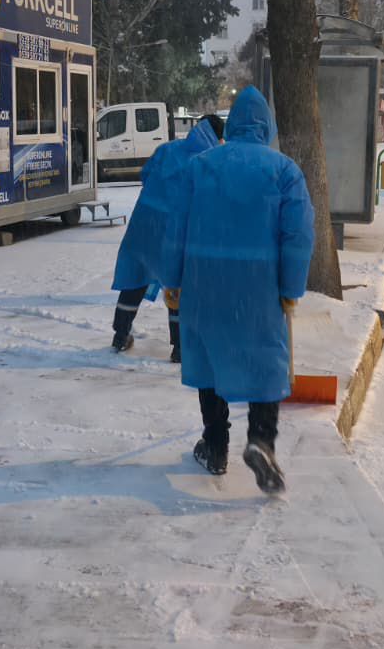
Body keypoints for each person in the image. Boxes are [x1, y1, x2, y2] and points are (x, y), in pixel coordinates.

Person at [161, 87, 312, 494]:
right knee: (265, 363)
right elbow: (297, 235)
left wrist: (171, 281)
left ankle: (215, 445)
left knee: (210, 360)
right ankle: (261, 440)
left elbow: (175, 226)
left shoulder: (200, 166)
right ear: (266, 126)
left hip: (204, 280)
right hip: (258, 286)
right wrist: (291, 287)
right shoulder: (284, 170)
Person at [109, 113, 223, 357]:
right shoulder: (209, 159)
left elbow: (146, 175)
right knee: (177, 283)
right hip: (175, 229)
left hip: (144, 222)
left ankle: (120, 335)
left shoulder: (167, 149)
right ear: (217, 136)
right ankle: (180, 348)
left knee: (135, 277)